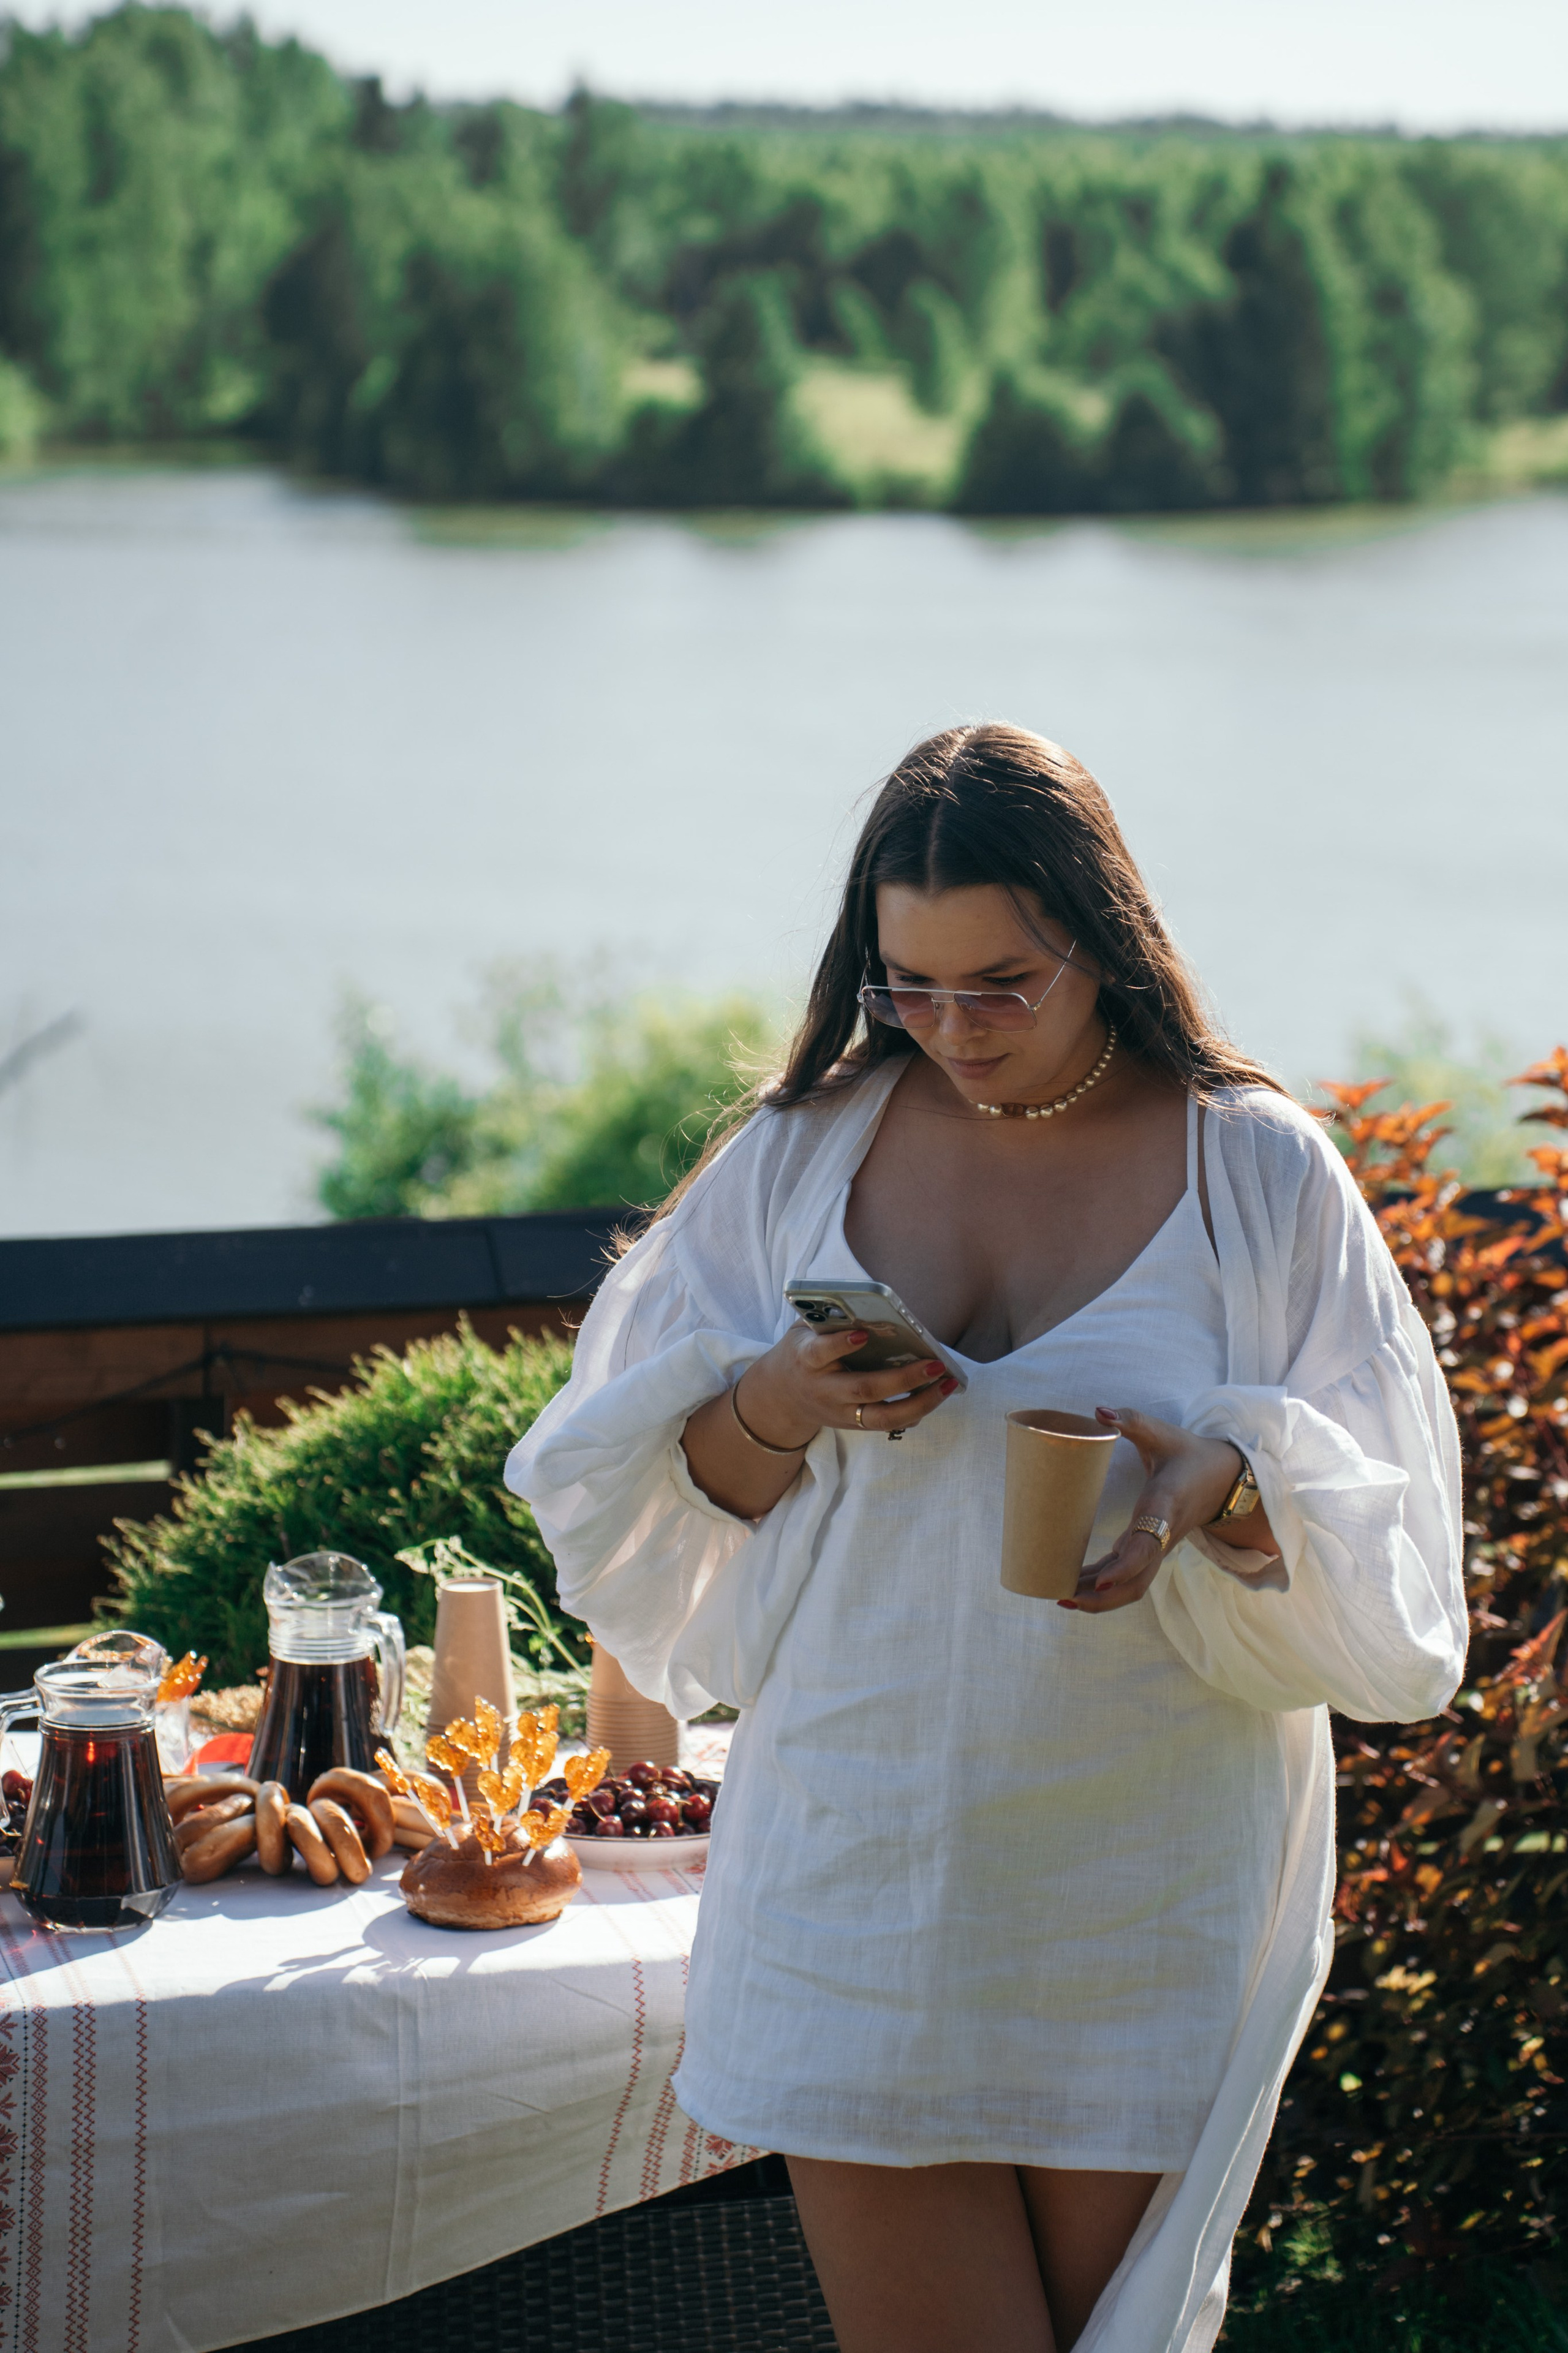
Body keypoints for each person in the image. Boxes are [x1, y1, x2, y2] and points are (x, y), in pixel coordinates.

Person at [506, 723, 1465, 2353]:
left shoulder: (1257, 1174)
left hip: (1142, 1884)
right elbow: (644, 1520)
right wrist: (781, 1402)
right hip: (854, 1871)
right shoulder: (800, 1155)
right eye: (911, 987)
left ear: (1101, 937)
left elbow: (1397, 1555)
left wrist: (1221, 1482)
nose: (954, 1031)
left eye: (1001, 984)